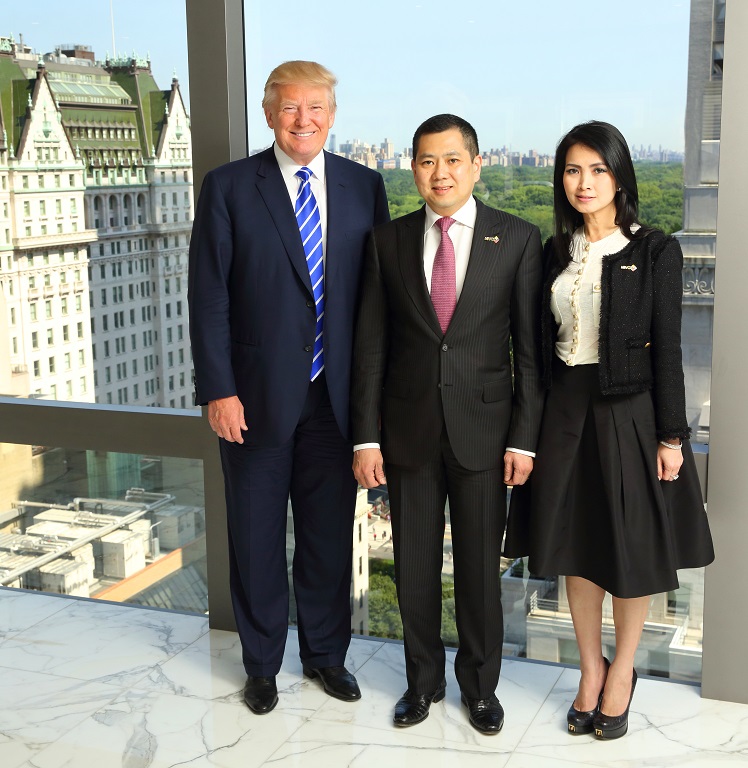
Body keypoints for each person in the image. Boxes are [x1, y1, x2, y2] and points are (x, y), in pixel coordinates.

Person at [188, 61, 389, 715]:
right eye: (291, 108)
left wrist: (373, 407)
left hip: (336, 399)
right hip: (251, 400)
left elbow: (377, 300)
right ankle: (262, 666)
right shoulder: (229, 187)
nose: (304, 120)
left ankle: (326, 656)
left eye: (316, 107)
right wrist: (218, 390)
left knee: (328, 539)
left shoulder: (365, 186)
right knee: (255, 539)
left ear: (332, 115)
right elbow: (209, 297)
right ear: (270, 114)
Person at [504, 120, 714, 740]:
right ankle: (589, 668)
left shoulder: (654, 250)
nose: (585, 182)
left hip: (629, 412)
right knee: (576, 546)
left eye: (598, 169)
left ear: (620, 176)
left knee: (627, 548)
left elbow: (667, 349)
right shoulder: (553, 252)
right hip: (563, 412)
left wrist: (671, 437)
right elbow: (535, 349)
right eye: (573, 170)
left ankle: (622, 671)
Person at [351, 114, 544, 733]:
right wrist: (366, 436)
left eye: (453, 159)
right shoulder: (386, 242)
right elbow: (371, 349)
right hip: (406, 433)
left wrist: (524, 439)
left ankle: (480, 690)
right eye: (427, 161)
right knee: (414, 572)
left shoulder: (517, 239)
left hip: (485, 435)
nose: (441, 173)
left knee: (479, 575)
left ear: (476, 165)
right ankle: (422, 683)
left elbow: (530, 354)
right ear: (413, 168)